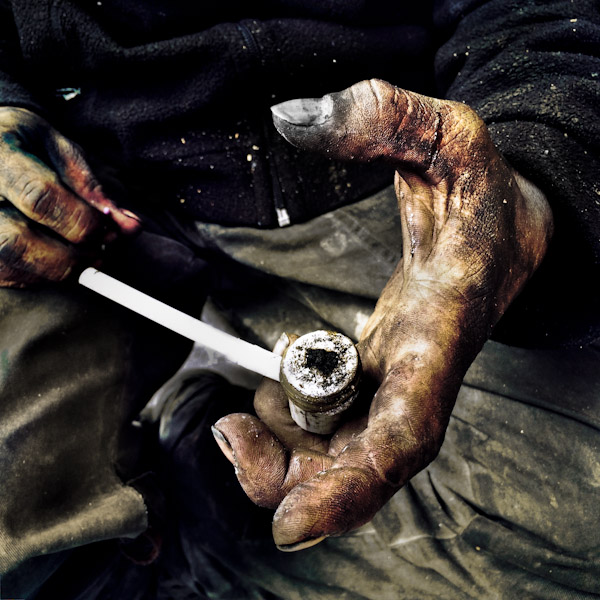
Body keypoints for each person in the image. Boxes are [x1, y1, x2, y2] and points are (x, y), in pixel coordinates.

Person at [0, 0, 598, 598]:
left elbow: (550, 17)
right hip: (68, 186)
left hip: (396, 180)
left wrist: (529, 175)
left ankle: (200, 503)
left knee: (576, 524)